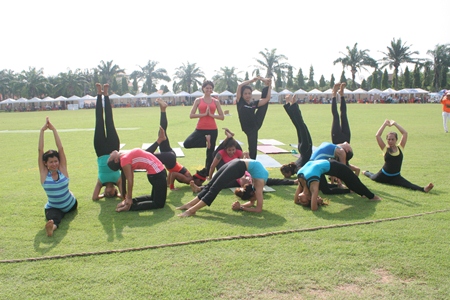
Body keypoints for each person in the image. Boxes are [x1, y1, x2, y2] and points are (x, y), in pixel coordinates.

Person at [281, 94, 357, 196]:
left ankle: (292, 104)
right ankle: (289, 104)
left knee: (300, 125)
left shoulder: (298, 168)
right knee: (299, 126)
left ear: (289, 173)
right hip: (302, 148)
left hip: (305, 148)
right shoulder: (295, 165)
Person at [146, 99, 206, 190]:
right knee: (147, 155)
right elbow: (173, 174)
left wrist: (167, 183)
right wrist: (172, 187)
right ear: (198, 180)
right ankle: (163, 109)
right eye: (200, 183)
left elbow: (171, 172)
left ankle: (163, 109)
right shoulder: (188, 179)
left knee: (162, 132)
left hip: (170, 157)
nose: (198, 184)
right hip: (170, 158)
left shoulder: (189, 177)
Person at [176, 159, 268, 217]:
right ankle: (190, 206)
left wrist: (241, 207)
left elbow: (252, 203)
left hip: (237, 163)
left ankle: (191, 209)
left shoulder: (255, 190)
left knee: (213, 187)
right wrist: (241, 208)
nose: (253, 201)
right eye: (253, 199)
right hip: (237, 165)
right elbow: (258, 209)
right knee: (211, 186)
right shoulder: (258, 188)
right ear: (252, 194)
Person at [363, 120, 434, 193]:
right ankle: (365, 172)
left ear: (396, 140)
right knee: (372, 177)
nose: (390, 141)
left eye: (392, 139)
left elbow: (405, 133)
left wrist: (395, 124)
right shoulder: (385, 149)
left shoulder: (400, 147)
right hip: (383, 175)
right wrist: (384, 124)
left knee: (408, 185)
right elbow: (377, 136)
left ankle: (424, 189)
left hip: (396, 176)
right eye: (388, 139)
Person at [38, 117, 77, 237]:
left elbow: (60, 149)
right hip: (54, 207)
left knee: (60, 213)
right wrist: (42, 131)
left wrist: (54, 129)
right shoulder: (44, 174)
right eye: (51, 162)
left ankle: (53, 225)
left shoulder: (62, 170)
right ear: (45, 164)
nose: (54, 164)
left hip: (71, 206)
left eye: (56, 161)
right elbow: (40, 151)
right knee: (55, 217)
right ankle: (52, 228)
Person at [295, 159, 381, 211]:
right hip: (331, 167)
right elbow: (314, 208)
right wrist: (314, 201)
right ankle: (372, 197)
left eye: (301, 201)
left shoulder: (302, 182)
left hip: (332, 165)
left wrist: (306, 201)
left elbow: (295, 201)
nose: (299, 200)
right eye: (304, 202)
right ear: (310, 197)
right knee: (353, 183)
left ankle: (368, 195)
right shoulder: (313, 185)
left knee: (353, 182)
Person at [183, 80, 224, 171]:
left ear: (212, 90)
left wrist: (212, 115)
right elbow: (191, 115)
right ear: (203, 89)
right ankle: (206, 141)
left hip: (212, 129)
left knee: (210, 153)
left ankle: (207, 172)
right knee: (187, 143)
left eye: (210, 88)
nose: (209, 90)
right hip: (200, 128)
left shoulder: (215, 101)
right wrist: (204, 114)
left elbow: (222, 117)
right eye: (207, 88)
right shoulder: (198, 100)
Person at [92, 83, 122, 200]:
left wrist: (102, 196)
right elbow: (124, 195)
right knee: (109, 121)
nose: (108, 192)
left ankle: (99, 94)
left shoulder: (101, 182)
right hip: (113, 149)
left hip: (99, 151)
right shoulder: (117, 180)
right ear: (115, 191)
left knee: (99, 121)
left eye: (106, 194)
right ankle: (106, 94)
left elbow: (94, 198)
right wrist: (119, 195)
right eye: (111, 193)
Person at [234, 76, 272, 159]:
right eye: (245, 93)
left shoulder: (253, 103)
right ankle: (250, 159)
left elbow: (267, 99)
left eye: (249, 93)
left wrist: (269, 86)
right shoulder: (240, 102)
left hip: (255, 124)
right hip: (247, 128)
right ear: (242, 94)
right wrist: (251, 80)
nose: (247, 95)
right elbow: (240, 86)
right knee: (252, 146)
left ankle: (266, 85)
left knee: (264, 105)